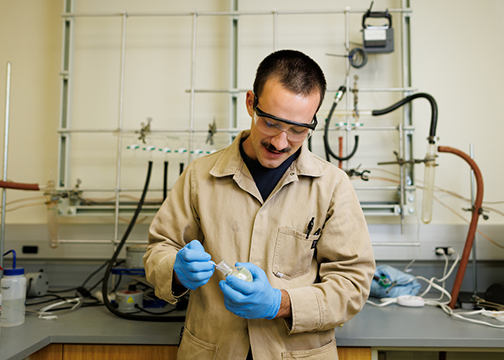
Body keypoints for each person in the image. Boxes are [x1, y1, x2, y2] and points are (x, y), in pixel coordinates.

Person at [144, 49, 375, 360]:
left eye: (297, 130)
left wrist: (280, 303)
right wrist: (175, 271)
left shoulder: (332, 186)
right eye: (270, 123)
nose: (280, 142)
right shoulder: (200, 177)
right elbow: (159, 248)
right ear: (251, 103)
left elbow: (353, 285)